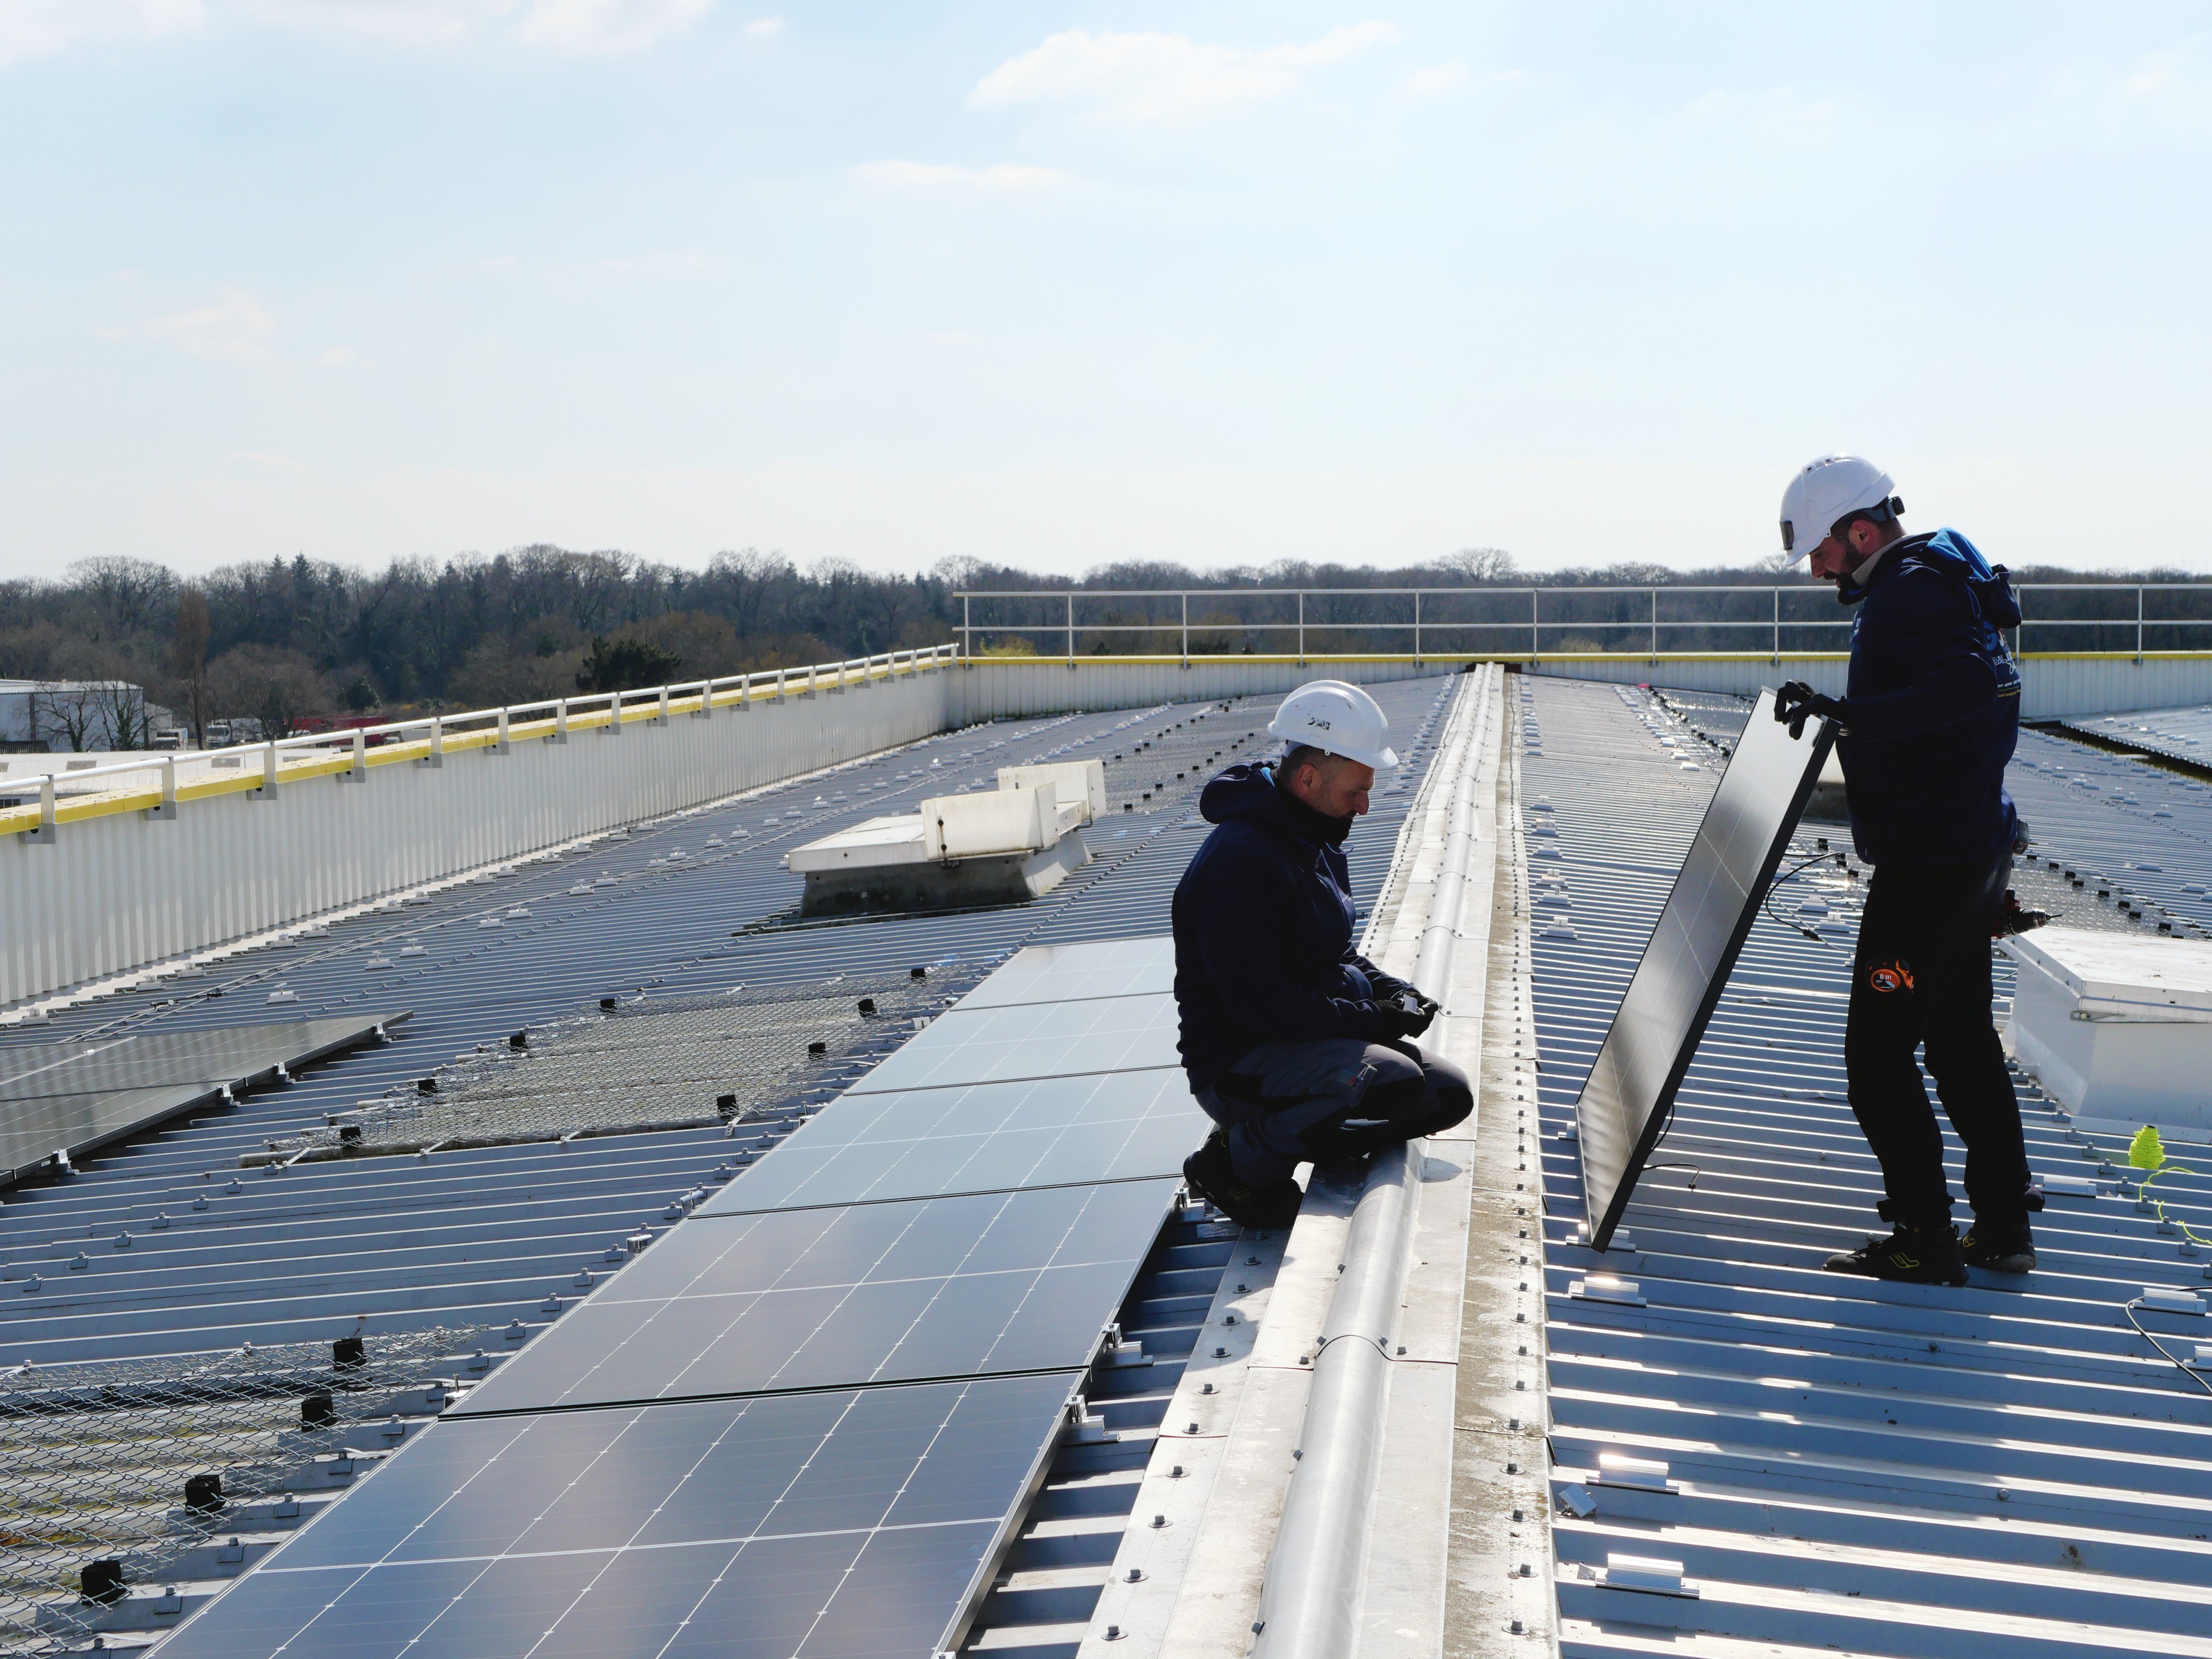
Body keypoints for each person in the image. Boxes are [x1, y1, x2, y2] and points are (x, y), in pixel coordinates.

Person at [1773, 455, 2039, 1283]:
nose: (1817, 570)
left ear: (1860, 531)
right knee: (1960, 1046)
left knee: (1875, 1057)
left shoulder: (1911, 590)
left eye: (1820, 551)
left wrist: (1852, 716)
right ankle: (2000, 1226)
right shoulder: (1940, 578)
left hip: (1930, 871)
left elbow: (1961, 687)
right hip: (1968, 853)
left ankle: (1924, 1236)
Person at [1171, 679, 1474, 1228]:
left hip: (1306, 1037)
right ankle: (1236, 1162)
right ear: (1308, 778)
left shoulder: (1312, 837)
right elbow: (1259, 1005)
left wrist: (1392, 993)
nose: (1364, 804)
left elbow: (1337, 951)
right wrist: (1369, 1019)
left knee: (1448, 1096)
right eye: (1355, 791)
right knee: (1391, 1085)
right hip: (1241, 1059)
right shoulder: (1238, 864)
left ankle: (1317, 1123)